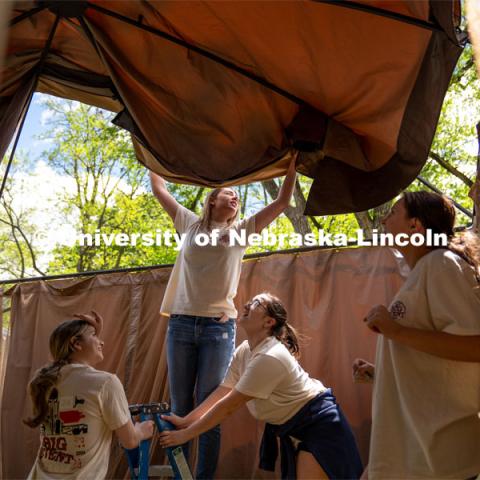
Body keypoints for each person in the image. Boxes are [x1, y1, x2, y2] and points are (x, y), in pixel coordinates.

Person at [150, 156, 297, 478]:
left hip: (218, 328)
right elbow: (158, 186)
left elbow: (283, 201)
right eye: (229, 193)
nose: (235, 198)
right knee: (179, 408)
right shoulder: (189, 224)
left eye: (238, 197)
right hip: (181, 324)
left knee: (209, 408)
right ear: (212, 199)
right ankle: (181, 475)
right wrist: (147, 150)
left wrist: (291, 164)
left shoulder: (241, 232)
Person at [158, 293, 363, 480]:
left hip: (321, 426)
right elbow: (223, 392)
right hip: (297, 428)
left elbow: (229, 406)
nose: (247, 304)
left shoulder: (269, 356)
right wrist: (185, 421)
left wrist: (185, 435)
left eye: (256, 302)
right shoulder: (246, 349)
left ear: (269, 322)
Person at [356, 191, 480, 479]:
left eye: (393, 212)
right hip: (415, 452)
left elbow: (475, 347)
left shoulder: (442, 263)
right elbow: (439, 361)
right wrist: (381, 372)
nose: (384, 219)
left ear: (414, 226)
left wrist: (395, 330)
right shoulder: (423, 271)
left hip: (440, 455)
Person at [24, 312, 154, 480]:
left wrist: (92, 333)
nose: (102, 341)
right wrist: (142, 431)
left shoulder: (45, 382)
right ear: (76, 343)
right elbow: (130, 441)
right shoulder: (106, 383)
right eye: (94, 336)